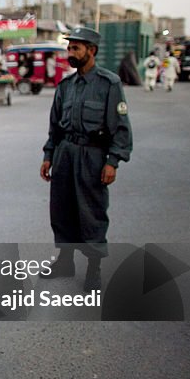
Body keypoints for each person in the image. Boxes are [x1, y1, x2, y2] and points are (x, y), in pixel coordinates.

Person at [39, 26, 132, 291]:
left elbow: (121, 128)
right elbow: (55, 125)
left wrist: (113, 161)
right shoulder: (66, 86)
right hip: (64, 153)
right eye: (69, 47)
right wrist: (48, 155)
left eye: (76, 48)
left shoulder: (109, 84)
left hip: (92, 155)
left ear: (91, 51)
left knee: (91, 211)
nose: (70, 52)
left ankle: (94, 268)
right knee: (62, 209)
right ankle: (65, 261)